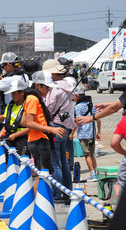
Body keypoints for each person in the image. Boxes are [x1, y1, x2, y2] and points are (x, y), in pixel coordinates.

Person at [22, 70, 66, 192]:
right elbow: (29, 123)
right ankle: (39, 204)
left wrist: (43, 120)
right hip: (39, 140)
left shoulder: (31, 98)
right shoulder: (33, 99)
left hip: (36, 140)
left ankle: (39, 203)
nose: (49, 90)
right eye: (47, 87)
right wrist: (51, 128)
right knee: (42, 176)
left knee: (41, 174)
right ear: (37, 85)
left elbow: (23, 122)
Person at [42, 59, 75, 201]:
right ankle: (67, 191)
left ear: (53, 74)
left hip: (55, 126)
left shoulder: (55, 88)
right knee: (63, 162)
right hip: (66, 127)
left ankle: (56, 193)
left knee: (54, 162)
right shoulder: (68, 86)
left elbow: (49, 107)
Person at [70, 86, 101, 181]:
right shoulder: (91, 104)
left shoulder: (78, 106)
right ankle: (96, 173)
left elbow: (78, 121)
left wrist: (72, 133)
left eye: (75, 96)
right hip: (92, 132)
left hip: (83, 134)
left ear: (78, 95)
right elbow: (98, 119)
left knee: (87, 155)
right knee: (92, 154)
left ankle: (92, 174)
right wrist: (98, 132)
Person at [0, 80, 30, 156]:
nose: (12, 96)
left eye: (14, 93)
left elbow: (30, 128)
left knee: (21, 163)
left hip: (23, 139)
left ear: (22, 93)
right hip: (9, 137)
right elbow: (6, 125)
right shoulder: (10, 105)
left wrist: (15, 135)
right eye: (11, 93)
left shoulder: (28, 106)